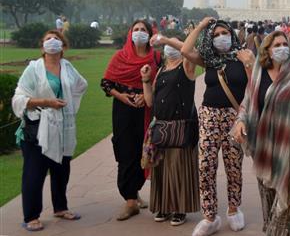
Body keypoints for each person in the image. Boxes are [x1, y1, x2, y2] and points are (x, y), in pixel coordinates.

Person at [232, 31, 290, 236]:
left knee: (284, 206)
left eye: (284, 44)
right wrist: (239, 123)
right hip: (262, 148)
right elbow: (247, 104)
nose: (283, 48)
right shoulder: (258, 73)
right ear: (268, 51)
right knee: (269, 205)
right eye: (277, 45)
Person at [181, 18, 255, 236]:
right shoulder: (210, 59)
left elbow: (254, 88)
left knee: (233, 166)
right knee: (205, 167)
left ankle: (233, 209)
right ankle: (210, 216)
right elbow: (185, 50)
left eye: (224, 33)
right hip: (209, 117)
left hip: (235, 119)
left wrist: (250, 63)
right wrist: (202, 26)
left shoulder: (243, 57)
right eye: (215, 35)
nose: (220, 37)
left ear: (232, 34)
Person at [12, 30, 88, 232]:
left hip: (63, 127)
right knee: (34, 174)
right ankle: (31, 215)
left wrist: (69, 104)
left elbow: (82, 85)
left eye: (57, 39)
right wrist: (45, 102)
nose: (52, 42)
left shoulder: (67, 67)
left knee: (61, 170)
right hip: (37, 128)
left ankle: (60, 207)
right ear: (42, 46)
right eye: (48, 39)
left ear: (63, 46)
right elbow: (19, 99)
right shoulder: (34, 69)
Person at [101, 20, 161, 220]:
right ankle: (129, 200)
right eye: (136, 30)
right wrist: (122, 97)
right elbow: (107, 83)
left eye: (143, 30)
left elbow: (162, 83)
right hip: (124, 111)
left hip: (146, 110)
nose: (139, 33)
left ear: (150, 34)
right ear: (130, 33)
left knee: (142, 151)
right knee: (126, 151)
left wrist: (146, 94)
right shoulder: (121, 57)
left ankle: (134, 192)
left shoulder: (156, 57)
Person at [140, 34, 200, 227]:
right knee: (162, 170)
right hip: (161, 126)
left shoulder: (187, 67)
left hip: (181, 127)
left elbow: (190, 51)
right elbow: (150, 101)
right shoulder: (161, 70)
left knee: (179, 168)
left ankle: (179, 208)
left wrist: (166, 39)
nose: (168, 47)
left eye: (172, 43)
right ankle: (164, 206)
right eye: (166, 44)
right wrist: (145, 80)